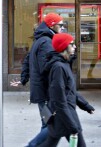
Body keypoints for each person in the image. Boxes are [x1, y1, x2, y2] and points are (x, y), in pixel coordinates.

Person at [12, 12, 65, 147]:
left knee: (48, 123)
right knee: (50, 125)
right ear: (52, 25)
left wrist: (24, 78)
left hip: (42, 89)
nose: (62, 27)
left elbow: (27, 61)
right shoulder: (46, 41)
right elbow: (46, 67)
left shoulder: (40, 40)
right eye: (60, 25)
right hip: (46, 90)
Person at [38, 33, 95, 147]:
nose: (74, 47)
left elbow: (70, 89)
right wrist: (72, 125)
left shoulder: (64, 64)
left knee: (49, 143)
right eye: (71, 44)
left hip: (62, 113)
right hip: (64, 114)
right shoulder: (59, 67)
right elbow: (59, 98)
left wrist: (84, 105)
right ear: (64, 47)